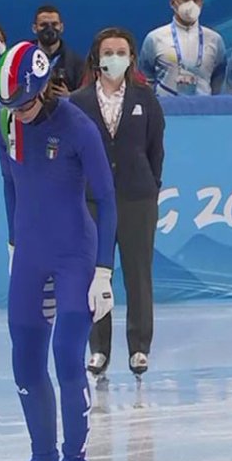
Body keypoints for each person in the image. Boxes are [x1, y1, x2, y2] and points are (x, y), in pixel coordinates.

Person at [0, 41, 118, 461]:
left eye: (24, 104)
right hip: (29, 254)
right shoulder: (3, 122)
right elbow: (8, 183)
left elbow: (107, 199)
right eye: (9, 105)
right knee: (24, 359)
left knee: (66, 355)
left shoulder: (78, 128)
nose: (17, 114)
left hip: (73, 257)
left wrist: (104, 271)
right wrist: (12, 243)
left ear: (43, 90)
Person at [70, 27, 165, 380]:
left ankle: (139, 346)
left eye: (121, 52)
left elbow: (155, 149)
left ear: (131, 58)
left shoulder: (145, 98)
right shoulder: (78, 102)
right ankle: (99, 348)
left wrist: (150, 187)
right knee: (95, 273)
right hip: (92, 201)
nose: (114, 58)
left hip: (137, 198)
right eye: (108, 52)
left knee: (138, 273)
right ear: (96, 58)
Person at [139, 0, 227, 96]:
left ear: (201, 4)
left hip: (203, 105)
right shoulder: (155, 38)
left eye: (196, 0)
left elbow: (219, 77)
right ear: (172, 3)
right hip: (165, 105)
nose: (191, 4)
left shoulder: (215, 39)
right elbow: (145, 76)